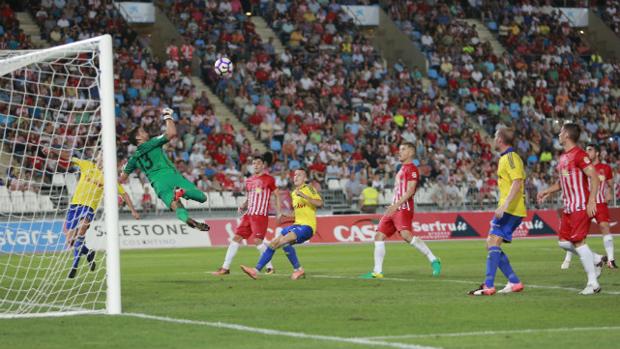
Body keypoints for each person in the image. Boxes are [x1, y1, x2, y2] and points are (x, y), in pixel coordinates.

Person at [43, 149, 140, 279]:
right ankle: (88, 253)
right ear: (97, 157)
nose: (102, 158)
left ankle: (74, 266)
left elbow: (124, 194)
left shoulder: (109, 178)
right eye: (100, 155)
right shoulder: (87, 165)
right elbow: (68, 157)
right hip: (75, 205)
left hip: (89, 207)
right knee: (70, 241)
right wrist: (52, 152)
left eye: (104, 157)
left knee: (83, 226)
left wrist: (133, 210)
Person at [537, 123, 607, 295]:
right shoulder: (563, 158)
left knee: (578, 242)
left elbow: (595, 178)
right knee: (563, 242)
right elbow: (563, 182)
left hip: (580, 205)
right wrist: (547, 191)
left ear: (567, 135)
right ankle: (596, 259)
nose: (559, 135)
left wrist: (591, 202)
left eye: (561, 132)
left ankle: (593, 283)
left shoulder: (579, 155)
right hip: (568, 207)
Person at [360, 143, 441, 279]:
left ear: (410, 152)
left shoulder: (412, 169)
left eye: (403, 149)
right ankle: (377, 271)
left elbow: (410, 191)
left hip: (403, 207)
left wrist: (396, 205)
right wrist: (393, 205)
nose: (399, 152)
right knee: (379, 236)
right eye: (399, 150)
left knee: (406, 235)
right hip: (394, 207)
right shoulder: (401, 168)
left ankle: (433, 259)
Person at [121, 108, 210, 231]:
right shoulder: (152, 143)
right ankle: (181, 191)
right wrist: (167, 115)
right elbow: (172, 133)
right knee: (202, 198)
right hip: (171, 176)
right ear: (138, 138)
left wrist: (122, 170)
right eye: (142, 131)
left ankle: (188, 220)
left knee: (178, 208)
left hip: (158, 185)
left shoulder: (133, 158)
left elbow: (123, 178)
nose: (145, 131)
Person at [469, 126, 525, 296]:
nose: (492, 139)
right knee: (491, 244)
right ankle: (514, 281)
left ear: (500, 139)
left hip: (510, 209)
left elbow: (517, 182)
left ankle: (488, 284)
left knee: (493, 243)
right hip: (510, 208)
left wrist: (505, 204)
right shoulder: (505, 158)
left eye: (494, 136)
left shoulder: (510, 157)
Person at [240, 168, 322, 280]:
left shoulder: (309, 188)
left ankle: (297, 270)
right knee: (274, 243)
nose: (296, 177)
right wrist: (286, 215)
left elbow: (320, 203)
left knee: (283, 241)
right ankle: (256, 271)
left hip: (307, 226)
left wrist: (304, 196)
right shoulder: (294, 193)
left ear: (305, 178)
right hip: (297, 225)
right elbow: (298, 212)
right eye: (295, 175)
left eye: (299, 175)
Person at [212, 153, 281, 276]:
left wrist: (279, 211)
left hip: (260, 215)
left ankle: (270, 267)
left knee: (257, 242)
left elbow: (277, 194)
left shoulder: (269, 179)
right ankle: (225, 268)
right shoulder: (249, 180)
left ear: (263, 165)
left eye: (258, 163)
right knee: (236, 238)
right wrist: (244, 205)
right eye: (253, 163)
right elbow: (251, 197)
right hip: (249, 215)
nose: (255, 165)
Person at [561, 143, 617, 269]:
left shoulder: (605, 168)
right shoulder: (582, 166)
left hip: (600, 202)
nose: (587, 152)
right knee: (577, 234)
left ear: (597, 153)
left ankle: (611, 260)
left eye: (590, 150)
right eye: (586, 150)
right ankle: (568, 259)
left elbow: (610, 183)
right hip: (584, 203)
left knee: (604, 226)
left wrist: (609, 192)